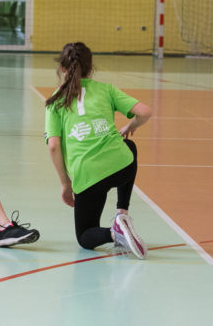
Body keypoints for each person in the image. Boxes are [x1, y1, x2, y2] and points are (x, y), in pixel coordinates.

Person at [44, 42, 152, 259]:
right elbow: (145, 112)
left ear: (63, 68)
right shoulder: (106, 89)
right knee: (129, 146)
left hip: (88, 177)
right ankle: (122, 212)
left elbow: (53, 146)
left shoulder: (55, 101)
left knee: (85, 236)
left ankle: (115, 233)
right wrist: (129, 126)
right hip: (121, 167)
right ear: (91, 68)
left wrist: (65, 184)